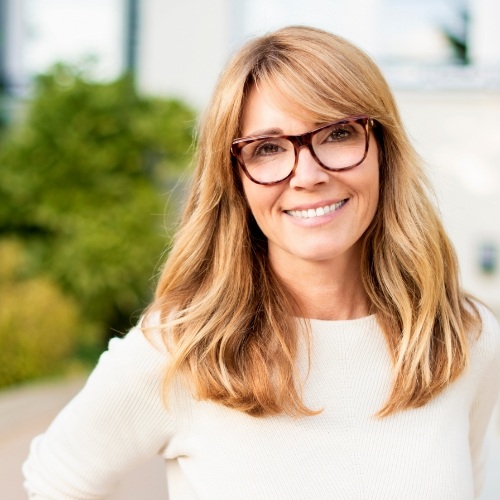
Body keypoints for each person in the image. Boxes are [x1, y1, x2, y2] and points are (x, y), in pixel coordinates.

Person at [23, 25, 500, 499]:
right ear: (235, 179)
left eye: (337, 134)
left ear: (383, 152)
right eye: (268, 148)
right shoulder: (182, 350)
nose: (308, 175)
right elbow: (55, 481)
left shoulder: (466, 340)